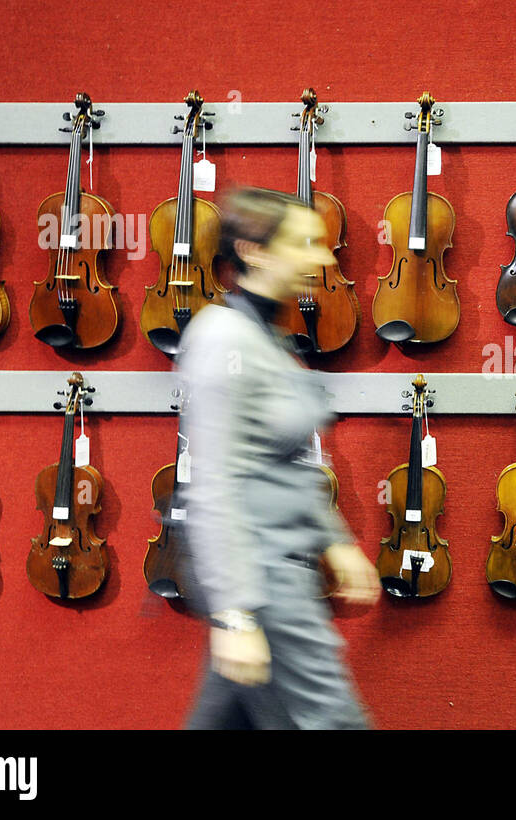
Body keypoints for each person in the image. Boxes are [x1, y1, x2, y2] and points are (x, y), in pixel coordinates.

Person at [179, 186, 379, 729]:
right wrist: (235, 614)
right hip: (263, 582)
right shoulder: (223, 339)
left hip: (280, 571)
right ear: (255, 251)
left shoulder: (268, 336)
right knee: (334, 723)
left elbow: (288, 464)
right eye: (307, 243)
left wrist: (335, 540)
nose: (326, 257)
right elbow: (215, 483)